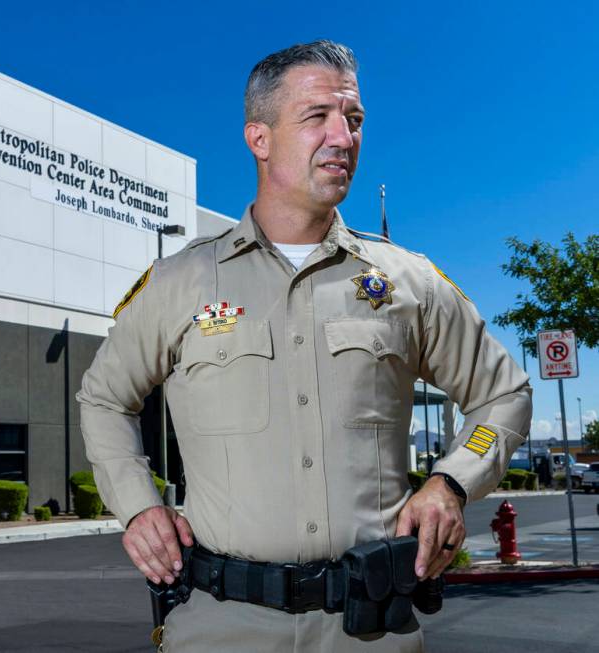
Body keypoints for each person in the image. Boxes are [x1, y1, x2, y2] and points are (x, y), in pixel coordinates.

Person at [76, 40, 532, 652]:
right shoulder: (179, 283)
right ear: (259, 138)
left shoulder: (408, 282)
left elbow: (503, 394)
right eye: (317, 116)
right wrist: (137, 506)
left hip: (372, 630)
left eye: (355, 119)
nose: (343, 137)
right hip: (220, 626)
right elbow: (104, 398)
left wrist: (450, 483)